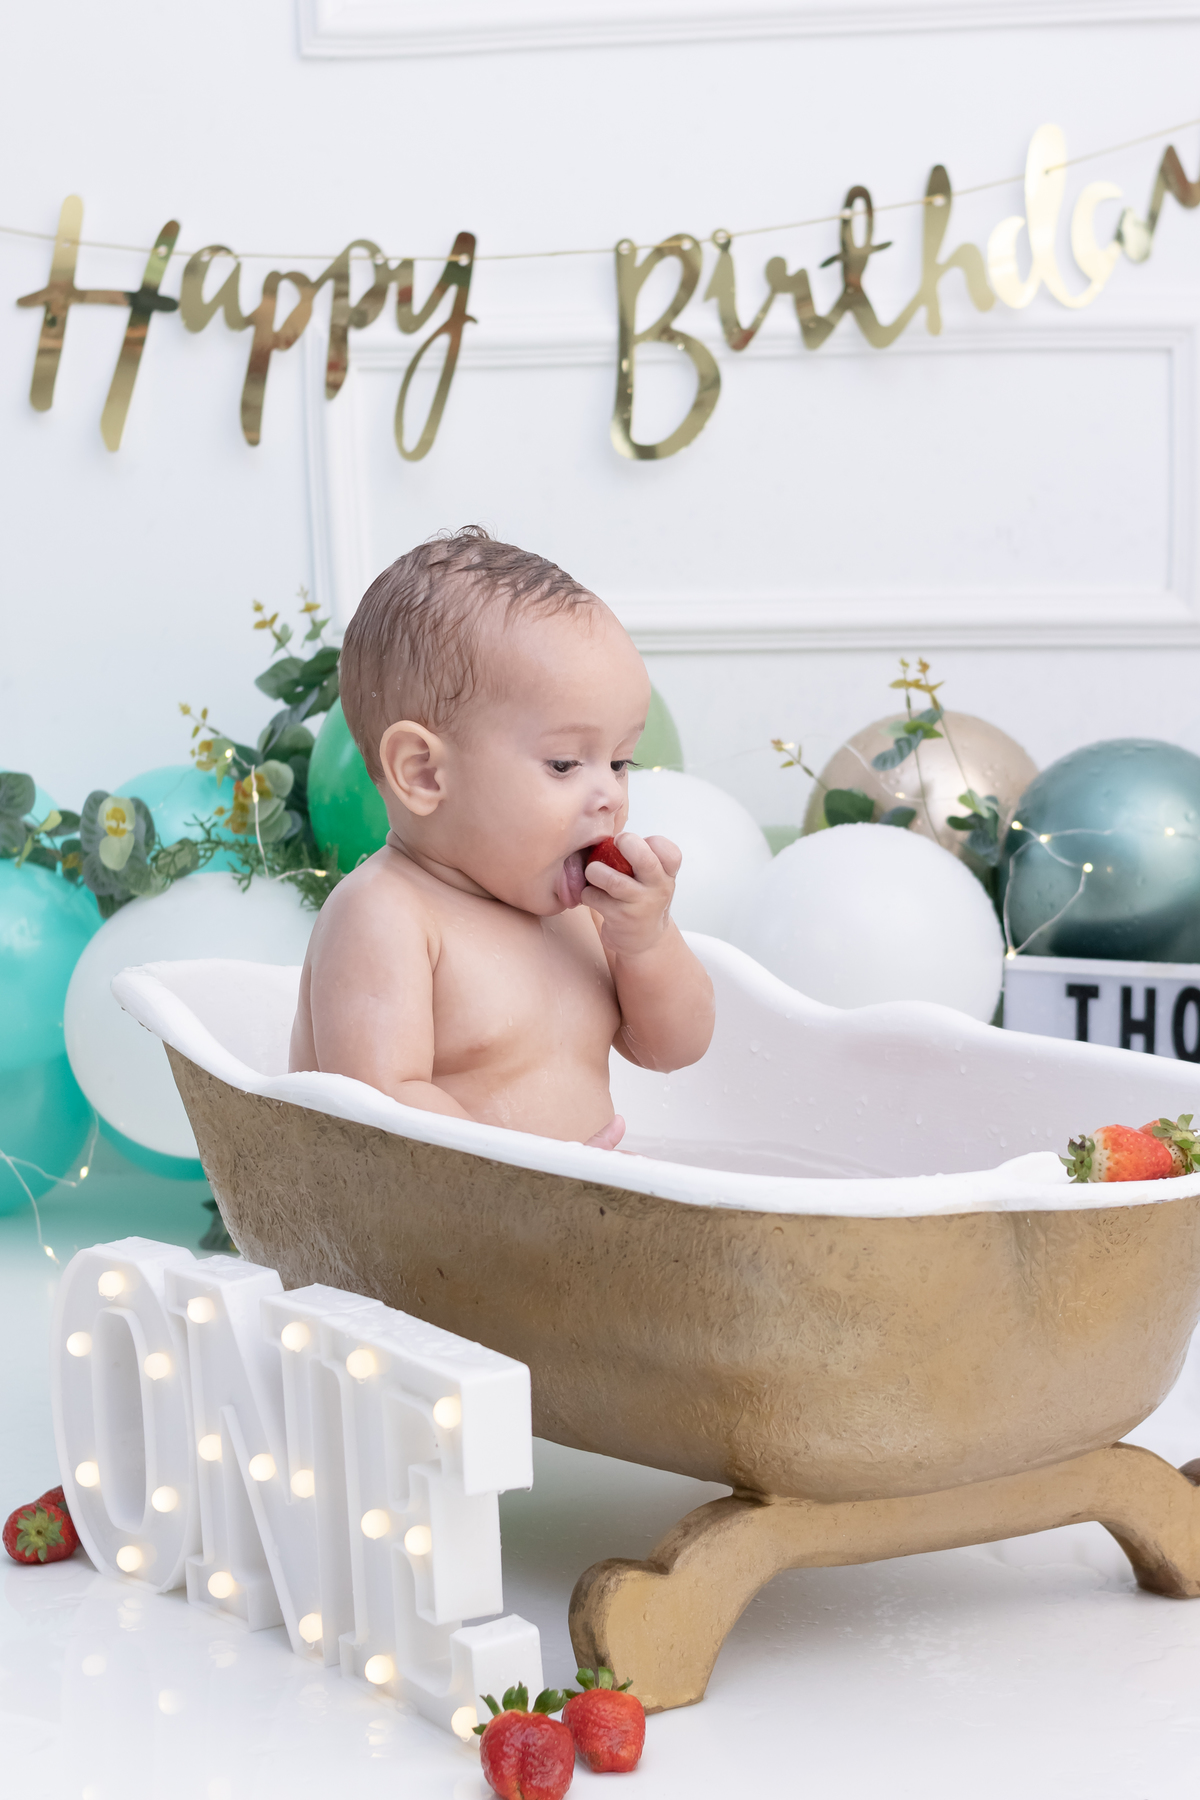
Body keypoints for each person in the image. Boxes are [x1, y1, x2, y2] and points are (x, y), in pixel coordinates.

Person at [289, 527, 715, 1150]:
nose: (611, 795)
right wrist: (537, 1181)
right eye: (565, 764)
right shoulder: (385, 916)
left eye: (621, 762)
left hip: (559, 1223)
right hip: (423, 1237)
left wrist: (646, 940)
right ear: (425, 773)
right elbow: (381, 1114)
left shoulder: (581, 915)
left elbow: (674, 1049)